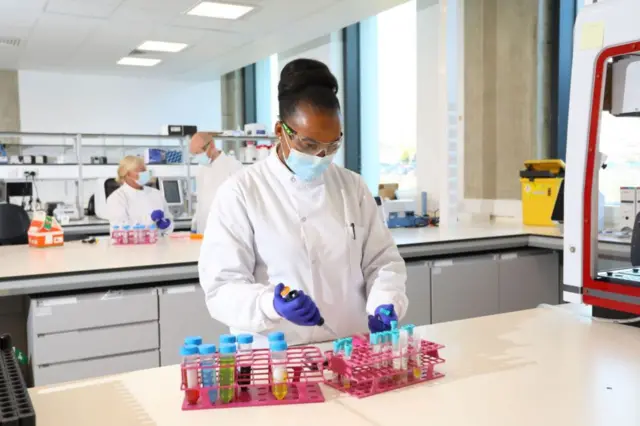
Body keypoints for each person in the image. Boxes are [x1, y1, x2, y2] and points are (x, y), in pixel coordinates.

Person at [199, 58, 407, 346]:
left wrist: (385, 300)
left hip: (350, 352)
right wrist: (269, 304)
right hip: (278, 358)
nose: (321, 155)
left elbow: (382, 262)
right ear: (280, 130)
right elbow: (221, 288)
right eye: (309, 145)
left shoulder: (352, 186)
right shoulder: (241, 192)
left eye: (332, 145)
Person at [189, 133, 243, 235]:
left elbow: (240, 203)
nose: (197, 157)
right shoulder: (201, 169)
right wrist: (194, 224)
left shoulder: (233, 166)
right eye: (194, 154)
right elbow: (200, 201)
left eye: (198, 153)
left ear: (212, 146)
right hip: (202, 231)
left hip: (225, 231)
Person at [107, 155, 173, 232]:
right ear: (127, 174)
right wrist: (150, 220)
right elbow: (120, 227)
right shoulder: (117, 197)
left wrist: (167, 225)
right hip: (131, 243)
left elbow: (169, 219)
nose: (144, 174)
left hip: (158, 242)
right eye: (140, 171)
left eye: (145, 171)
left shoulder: (156, 193)